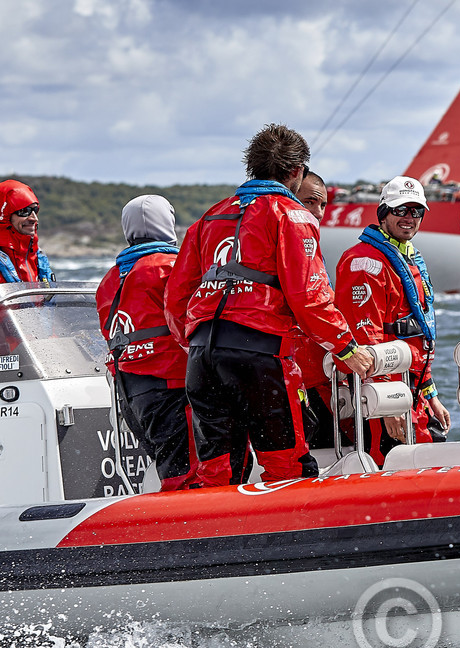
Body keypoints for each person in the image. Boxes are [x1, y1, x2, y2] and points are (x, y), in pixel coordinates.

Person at [166, 125, 375, 485]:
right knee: (287, 466)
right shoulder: (292, 215)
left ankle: (215, 520)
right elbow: (309, 295)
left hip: (202, 355)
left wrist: (197, 343)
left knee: (218, 470)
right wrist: (346, 348)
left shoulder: (208, 218)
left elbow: (176, 299)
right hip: (259, 354)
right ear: (297, 171)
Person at [334, 175, 451, 462]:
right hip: (382, 390)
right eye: (400, 210)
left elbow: (418, 335)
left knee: (429, 455)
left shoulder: (407, 258)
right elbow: (365, 339)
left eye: (416, 211)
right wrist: (386, 402)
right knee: (389, 462)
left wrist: (431, 394)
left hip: (412, 386)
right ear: (384, 213)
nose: (409, 217)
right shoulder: (364, 262)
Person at [95, 195, 196, 490]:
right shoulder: (172, 267)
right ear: (168, 223)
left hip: (131, 394)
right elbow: (194, 318)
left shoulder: (109, 280)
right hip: (173, 385)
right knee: (189, 474)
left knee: (169, 466)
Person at [288, 170, 339, 449]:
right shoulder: (287, 240)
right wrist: (348, 349)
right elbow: (309, 302)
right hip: (299, 379)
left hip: (319, 376)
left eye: (322, 205)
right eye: (309, 202)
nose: (318, 213)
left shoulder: (309, 243)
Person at [0, 180, 52, 283]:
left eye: (35, 210)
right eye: (24, 211)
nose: (34, 218)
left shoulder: (37, 257)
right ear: (4, 216)